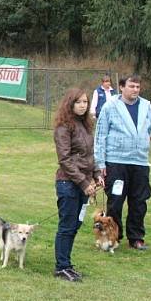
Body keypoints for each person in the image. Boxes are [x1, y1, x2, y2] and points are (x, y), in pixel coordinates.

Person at [94, 74, 151, 250]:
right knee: (116, 200)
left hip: (140, 162)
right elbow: (100, 136)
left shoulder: (146, 106)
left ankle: (136, 238)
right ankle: (114, 236)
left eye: (138, 87)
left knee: (139, 201)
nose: (135, 89)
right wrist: (101, 163)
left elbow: (148, 129)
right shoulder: (110, 106)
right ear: (121, 87)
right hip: (116, 162)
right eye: (131, 86)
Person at [53, 89, 103, 282]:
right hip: (68, 183)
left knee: (76, 224)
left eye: (85, 102)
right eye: (79, 102)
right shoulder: (63, 128)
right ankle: (61, 267)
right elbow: (65, 160)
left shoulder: (86, 125)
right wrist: (83, 182)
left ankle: (67, 263)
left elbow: (90, 155)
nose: (83, 105)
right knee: (66, 226)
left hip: (84, 184)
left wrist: (97, 174)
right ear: (70, 104)